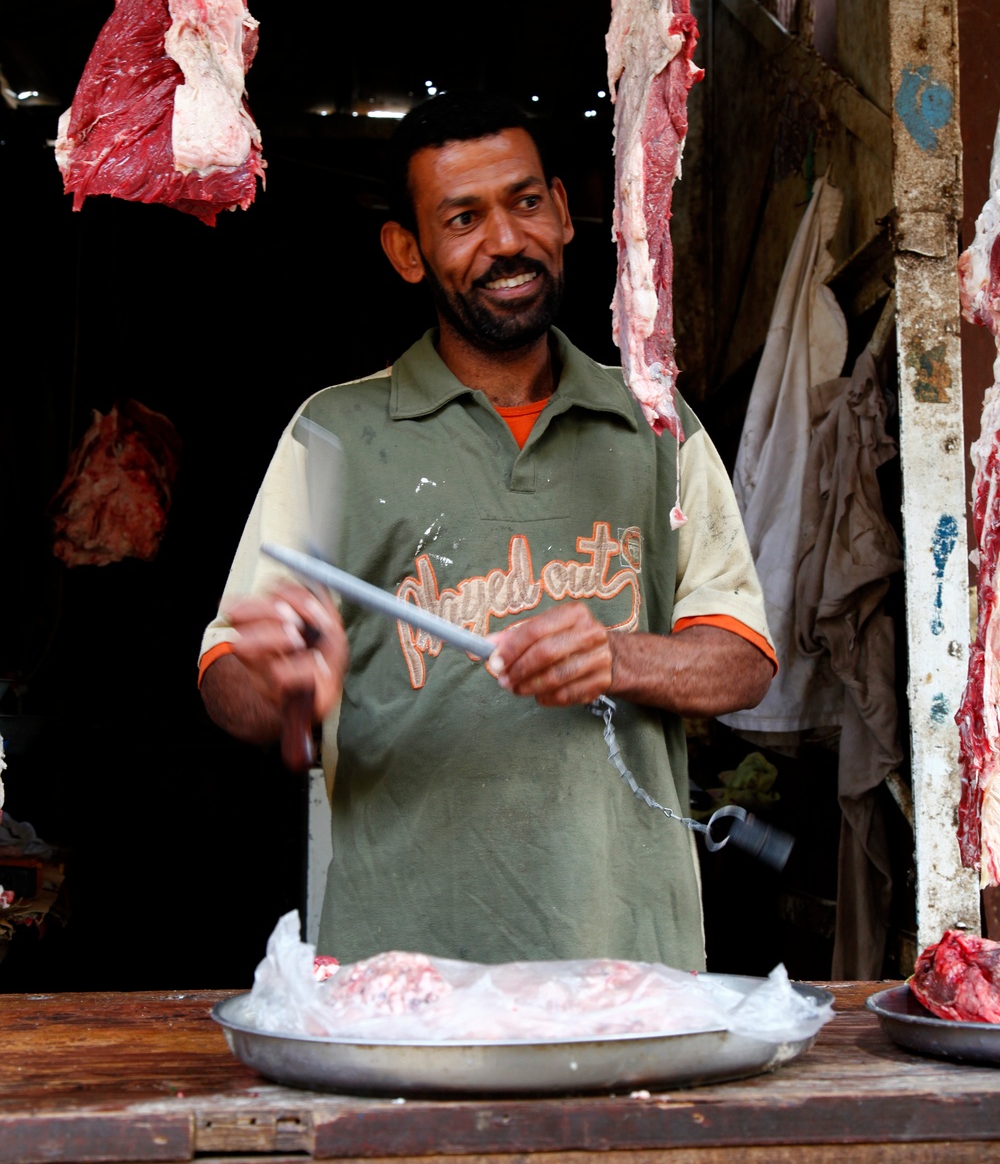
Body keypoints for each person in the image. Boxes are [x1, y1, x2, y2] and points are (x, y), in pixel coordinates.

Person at [199, 93, 775, 970]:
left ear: (563, 211)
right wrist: (282, 679)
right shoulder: (336, 435)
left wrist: (620, 658)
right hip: (400, 968)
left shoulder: (656, 423)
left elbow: (745, 659)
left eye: (526, 203)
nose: (506, 241)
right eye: (462, 218)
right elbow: (228, 675)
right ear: (407, 251)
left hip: (628, 959)